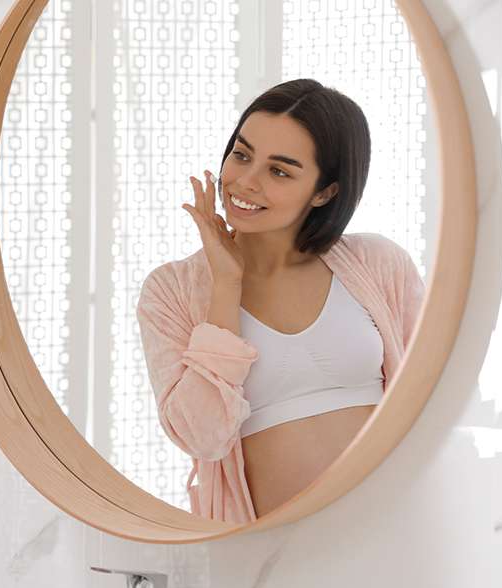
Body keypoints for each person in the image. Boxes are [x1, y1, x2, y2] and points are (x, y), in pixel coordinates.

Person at [137, 79, 425, 522]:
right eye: (242, 155)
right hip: (273, 551)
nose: (245, 182)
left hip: (396, 524)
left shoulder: (378, 263)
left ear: (325, 191)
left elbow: (430, 396)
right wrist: (226, 284)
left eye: (279, 171)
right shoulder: (171, 290)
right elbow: (202, 438)